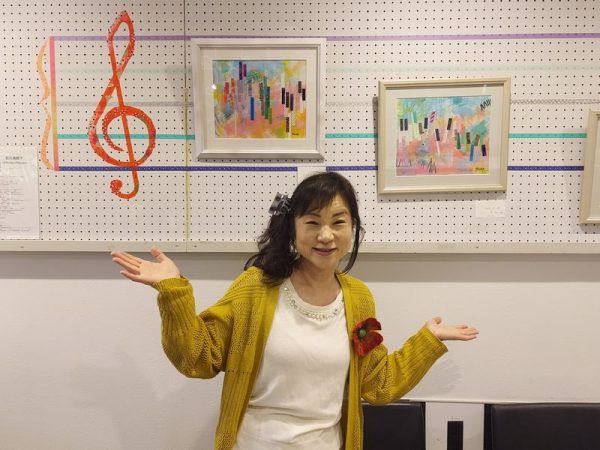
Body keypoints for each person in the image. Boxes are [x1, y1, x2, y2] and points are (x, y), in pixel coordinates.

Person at [111, 172, 478, 450]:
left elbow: (377, 385)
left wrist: (428, 341)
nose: (326, 235)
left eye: (338, 222)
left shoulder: (359, 299)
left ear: (353, 228)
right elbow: (197, 358)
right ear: (293, 228)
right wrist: (174, 291)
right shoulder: (256, 287)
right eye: (312, 222)